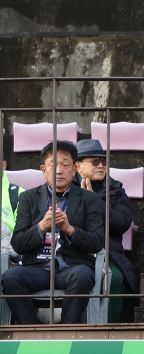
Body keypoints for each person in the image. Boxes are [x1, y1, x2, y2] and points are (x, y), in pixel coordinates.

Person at [1, 141, 105, 325]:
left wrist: (69, 229)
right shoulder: (28, 198)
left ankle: (65, 334)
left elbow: (97, 242)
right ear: (43, 169)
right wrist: (41, 226)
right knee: (11, 277)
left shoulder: (90, 199)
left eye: (65, 165)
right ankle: (30, 333)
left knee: (82, 275)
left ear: (74, 170)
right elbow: (17, 243)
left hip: (71, 267)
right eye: (53, 165)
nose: (59, 170)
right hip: (37, 268)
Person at [73, 139, 136, 322]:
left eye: (104, 161)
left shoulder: (115, 190)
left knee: (114, 279)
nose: (101, 166)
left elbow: (122, 223)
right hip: (73, 250)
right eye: (94, 161)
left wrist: (94, 200)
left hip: (108, 252)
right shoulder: (66, 188)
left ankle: (110, 328)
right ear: (78, 166)